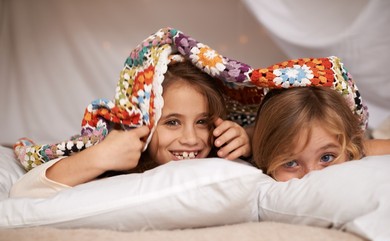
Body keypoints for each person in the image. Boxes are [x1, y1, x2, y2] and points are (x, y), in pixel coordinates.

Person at [10, 60, 251, 198]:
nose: (191, 139)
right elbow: (24, 192)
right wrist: (100, 156)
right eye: (172, 122)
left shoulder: (219, 154)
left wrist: (246, 140)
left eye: (203, 122)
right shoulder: (119, 159)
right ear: (142, 122)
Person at [251, 86, 390, 181]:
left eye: (326, 157)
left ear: (349, 151)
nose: (312, 175)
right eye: (290, 163)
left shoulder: (358, 151)